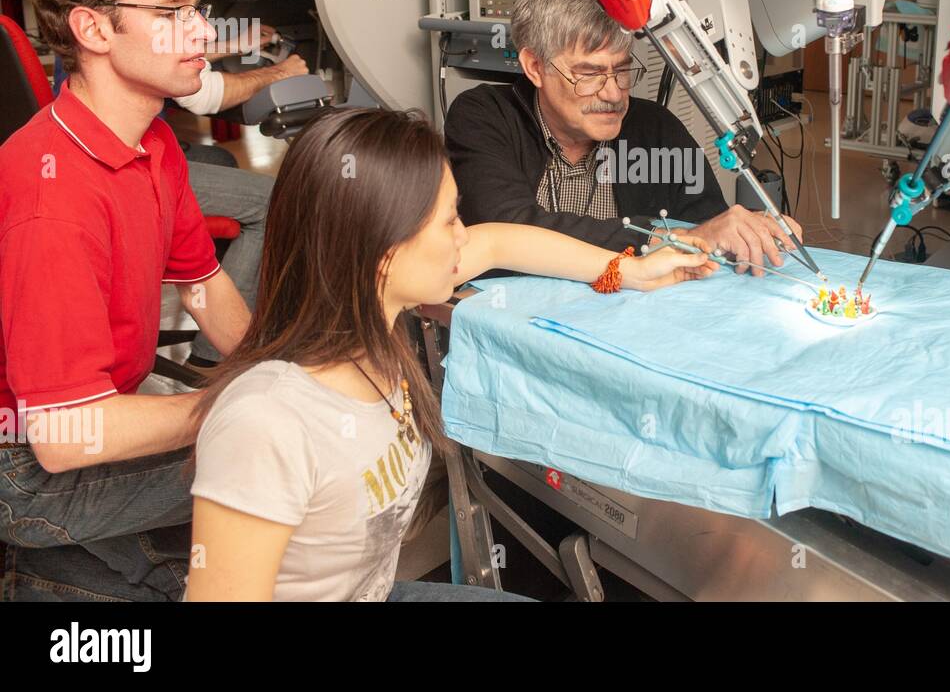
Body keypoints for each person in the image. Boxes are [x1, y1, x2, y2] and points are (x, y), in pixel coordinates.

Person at [186, 108, 715, 601]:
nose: (465, 237)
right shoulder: (266, 421)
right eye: (449, 221)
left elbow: (499, 242)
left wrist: (630, 270)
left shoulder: (370, 318)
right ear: (382, 249)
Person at [0, 0, 250, 600]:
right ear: (95, 30)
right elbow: (60, 438)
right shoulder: (53, 201)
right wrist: (246, 402)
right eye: (172, 12)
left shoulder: (154, 141)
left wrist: (283, 365)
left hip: (102, 416)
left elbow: (204, 289)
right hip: (22, 465)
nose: (203, 32)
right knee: (278, 444)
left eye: (196, 10)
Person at [445, 0, 803, 275]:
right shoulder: (483, 116)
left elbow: (707, 228)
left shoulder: (656, 129)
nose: (614, 93)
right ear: (535, 67)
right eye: (589, 74)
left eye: (622, 69)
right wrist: (663, 237)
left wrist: (747, 233)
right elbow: (506, 229)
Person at [116, 0, 309, 368]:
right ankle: (212, 361)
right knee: (271, 200)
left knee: (214, 161)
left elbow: (162, 49)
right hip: (125, 166)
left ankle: (224, 302)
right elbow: (204, 97)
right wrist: (280, 72)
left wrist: (235, 43)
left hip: (133, 145)